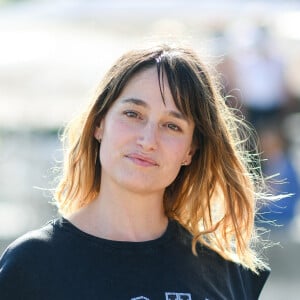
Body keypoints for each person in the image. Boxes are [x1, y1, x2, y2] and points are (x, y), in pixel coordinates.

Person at [0, 43, 271, 299]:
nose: (148, 140)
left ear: (190, 150)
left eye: (172, 126)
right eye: (133, 114)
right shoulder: (31, 266)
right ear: (99, 123)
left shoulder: (224, 271)